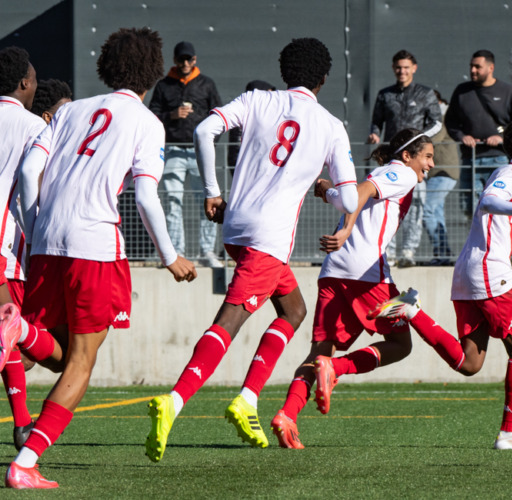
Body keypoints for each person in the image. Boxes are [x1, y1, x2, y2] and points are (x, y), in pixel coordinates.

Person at [145, 37, 359, 462]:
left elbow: (205, 130)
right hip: (269, 237)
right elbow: (351, 201)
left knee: (294, 310)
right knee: (231, 319)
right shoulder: (331, 126)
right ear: (323, 78)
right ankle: (175, 400)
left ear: (285, 71)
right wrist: (327, 191)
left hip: (237, 223)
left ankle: (247, 399)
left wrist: (212, 191)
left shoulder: (258, 99)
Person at [3, 28, 197, 490]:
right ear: (152, 72)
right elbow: (147, 197)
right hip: (94, 245)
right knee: (83, 363)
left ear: (105, 67)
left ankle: (21, 330)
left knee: (64, 356)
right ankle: (25, 463)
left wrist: (36, 227)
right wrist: (170, 257)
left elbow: (31, 171)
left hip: (48, 238)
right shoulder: (147, 122)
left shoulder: (70, 110)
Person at [369, 117, 512, 450]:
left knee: (470, 363)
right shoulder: (511, 174)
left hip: (471, 271)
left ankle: (412, 312)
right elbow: (490, 200)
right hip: (489, 271)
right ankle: (510, 432)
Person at [271, 129, 433, 448]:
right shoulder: (403, 174)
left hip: (334, 269)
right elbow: (363, 191)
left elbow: (350, 195)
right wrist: (346, 229)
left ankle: (287, 415)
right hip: (367, 273)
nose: (430, 163)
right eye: (427, 156)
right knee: (401, 343)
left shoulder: (388, 171)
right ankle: (337, 369)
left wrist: (327, 189)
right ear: (407, 156)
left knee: (320, 350)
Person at [0, 46, 46, 455]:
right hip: (6, 247)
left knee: (9, 337)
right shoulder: (33, 127)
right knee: (11, 335)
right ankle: (23, 428)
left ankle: (22, 425)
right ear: (24, 84)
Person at [148, 41, 223, 267]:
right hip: (172, 151)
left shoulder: (206, 84)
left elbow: (218, 116)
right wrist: (172, 115)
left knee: (208, 202)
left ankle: (207, 251)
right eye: (181, 59)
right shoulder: (164, 86)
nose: (185, 63)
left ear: (195, 60)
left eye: (188, 59)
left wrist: (209, 145)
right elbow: (152, 116)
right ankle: (176, 251)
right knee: (172, 202)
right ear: (175, 60)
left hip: (200, 153)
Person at [368, 50, 441, 268]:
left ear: (414, 68)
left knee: (416, 204)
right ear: (393, 69)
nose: (402, 71)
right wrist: (374, 134)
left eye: (406, 67)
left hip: (415, 161)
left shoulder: (426, 94)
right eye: (399, 67)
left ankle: (409, 251)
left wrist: (419, 143)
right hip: (393, 160)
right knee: (387, 203)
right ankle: (387, 252)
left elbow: (437, 123)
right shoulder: (385, 95)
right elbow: (376, 122)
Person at [445, 49, 512, 216]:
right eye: (471, 66)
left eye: (478, 66)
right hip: (471, 158)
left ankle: (507, 241)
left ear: (491, 68)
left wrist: (502, 138)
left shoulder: (507, 91)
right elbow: (451, 122)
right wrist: (463, 137)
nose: (473, 70)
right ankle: (479, 240)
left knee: (501, 205)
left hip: (498, 158)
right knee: (470, 206)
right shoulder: (462, 92)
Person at [424, 90, 460, 265]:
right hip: (437, 172)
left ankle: (441, 252)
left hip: (444, 171)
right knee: (436, 212)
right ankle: (443, 254)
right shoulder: (442, 116)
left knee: (427, 210)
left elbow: (433, 139)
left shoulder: (443, 116)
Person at [227, 80, 276, 168]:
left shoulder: (274, 115)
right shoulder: (242, 118)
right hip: (249, 170)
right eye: (268, 94)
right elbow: (235, 150)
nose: (272, 98)